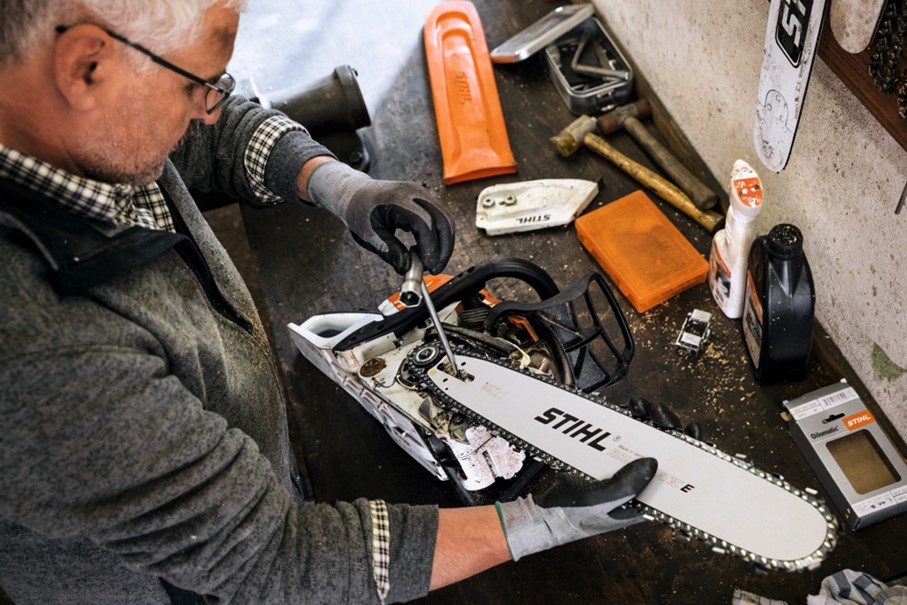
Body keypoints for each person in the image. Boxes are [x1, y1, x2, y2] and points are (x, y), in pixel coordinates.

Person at [0, 1, 659, 603]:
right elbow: (274, 559)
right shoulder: (43, 361)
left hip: (237, 468)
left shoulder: (78, 118)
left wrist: (338, 185)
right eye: (194, 85)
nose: (209, 107)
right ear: (86, 66)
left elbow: (206, 133)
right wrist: (540, 522)